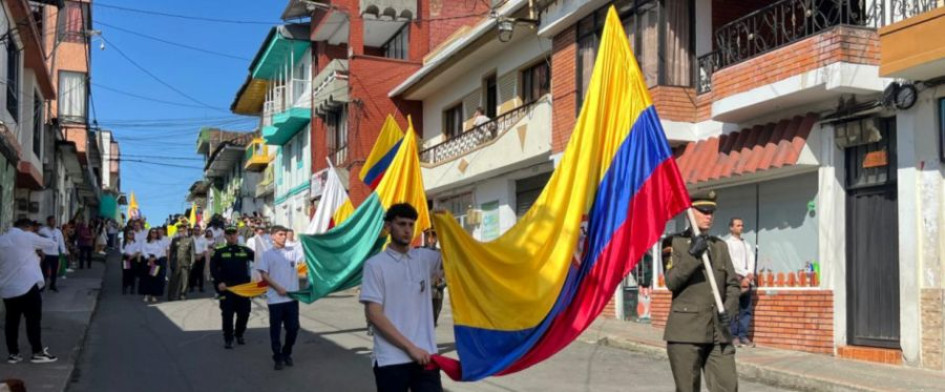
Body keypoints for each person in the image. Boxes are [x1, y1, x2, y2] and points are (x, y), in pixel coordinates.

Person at [662, 191, 740, 392]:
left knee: (728, 386)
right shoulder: (674, 243)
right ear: (690, 213)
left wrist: (728, 310)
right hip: (686, 332)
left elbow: (732, 285)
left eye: (711, 212)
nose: (709, 216)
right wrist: (693, 255)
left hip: (719, 332)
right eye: (703, 211)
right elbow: (671, 281)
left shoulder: (720, 246)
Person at [360, 204, 443, 392]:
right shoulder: (375, 265)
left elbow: (456, 258)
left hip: (426, 355)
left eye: (411, 225)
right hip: (391, 359)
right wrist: (410, 348)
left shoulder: (425, 258)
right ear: (388, 227)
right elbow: (374, 314)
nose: (407, 230)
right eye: (402, 224)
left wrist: (444, 226)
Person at [0, 218, 59, 364]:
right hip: (27, 286)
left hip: (8, 288)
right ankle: (37, 352)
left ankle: (13, 354)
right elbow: (52, 243)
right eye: (33, 229)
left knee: (11, 321)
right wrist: (37, 241)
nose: (35, 231)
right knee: (33, 320)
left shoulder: (2, 239)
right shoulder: (26, 236)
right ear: (27, 227)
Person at [257, 225, 305, 370]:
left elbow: (306, 255)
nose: (284, 237)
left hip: (291, 298)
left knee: (293, 328)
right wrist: (278, 288)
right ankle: (277, 356)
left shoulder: (293, 252)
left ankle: (286, 352)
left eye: (285, 234)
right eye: (280, 234)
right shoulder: (267, 254)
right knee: (276, 330)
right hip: (275, 300)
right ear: (273, 236)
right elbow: (264, 275)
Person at [210, 226, 254, 349]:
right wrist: (219, 282)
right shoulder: (219, 250)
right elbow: (213, 269)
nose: (231, 236)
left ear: (237, 234)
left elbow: (260, 259)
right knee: (227, 314)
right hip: (226, 288)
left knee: (244, 313)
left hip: (243, 287)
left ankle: (239, 334)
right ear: (225, 235)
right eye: (229, 234)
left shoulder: (245, 250)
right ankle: (228, 338)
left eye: (233, 233)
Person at [725, 217, 756, 348]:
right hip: (735, 278)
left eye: (742, 225)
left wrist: (749, 275)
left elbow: (751, 259)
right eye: (738, 225)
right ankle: (733, 336)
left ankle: (743, 335)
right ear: (731, 228)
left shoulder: (746, 244)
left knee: (745, 308)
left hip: (747, 279)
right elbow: (731, 262)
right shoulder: (728, 243)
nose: (741, 227)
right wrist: (745, 274)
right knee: (733, 308)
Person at [421, 229, 445, 327]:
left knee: (435, 315)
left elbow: (446, 270)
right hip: (422, 290)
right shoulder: (419, 252)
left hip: (437, 290)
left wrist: (443, 283)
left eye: (433, 236)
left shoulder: (441, 253)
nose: (431, 239)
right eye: (428, 236)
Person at [38, 216, 68, 293]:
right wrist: (41, 251)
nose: (53, 222)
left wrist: (63, 251)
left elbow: (61, 242)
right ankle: (42, 285)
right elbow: (38, 241)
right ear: (48, 222)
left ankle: (53, 285)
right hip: (46, 253)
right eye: (51, 221)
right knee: (44, 271)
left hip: (55, 254)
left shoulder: (58, 232)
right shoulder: (43, 231)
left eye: (54, 221)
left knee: (54, 271)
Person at [167, 225, 196, 301]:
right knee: (173, 280)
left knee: (185, 280)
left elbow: (192, 252)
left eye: (182, 231)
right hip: (176, 263)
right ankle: (171, 296)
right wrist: (170, 262)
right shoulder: (175, 240)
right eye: (179, 231)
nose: (180, 232)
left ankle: (182, 295)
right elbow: (171, 252)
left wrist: (192, 262)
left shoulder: (190, 240)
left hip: (186, 262)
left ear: (185, 231)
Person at [140, 229, 168, 303]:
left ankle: (153, 295)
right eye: (152, 232)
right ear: (150, 233)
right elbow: (143, 249)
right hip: (147, 260)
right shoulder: (145, 241)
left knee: (154, 277)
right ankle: (146, 295)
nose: (154, 234)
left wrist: (154, 258)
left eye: (155, 233)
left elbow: (161, 251)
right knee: (146, 278)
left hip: (155, 261)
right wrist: (148, 257)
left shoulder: (159, 242)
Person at [121, 227, 141, 294]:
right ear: (127, 234)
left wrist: (132, 256)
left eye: (132, 234)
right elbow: (121, 250)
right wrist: (127, 254)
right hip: (126, 259)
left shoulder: (136, 242)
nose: (131, 235)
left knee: (133, 273)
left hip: (133, 259)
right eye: (129, 233)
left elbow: (138, 250)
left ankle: (132, 288)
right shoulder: (123, 241)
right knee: (126, 273)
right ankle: (124, 287)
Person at [190, 227, 210, 293]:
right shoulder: (190, 239)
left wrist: (200, 256)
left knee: (200, 273)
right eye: (195, 230)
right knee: (192, 273)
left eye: (198, 230)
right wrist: (195, 256)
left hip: (201, 257)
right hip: (192, 257)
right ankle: (191, 287)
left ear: (200, 231)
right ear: (193, 231)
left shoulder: (204, 239)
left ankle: (201, 287)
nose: (197, 231)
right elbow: (189, 249)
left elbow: (205, 249)